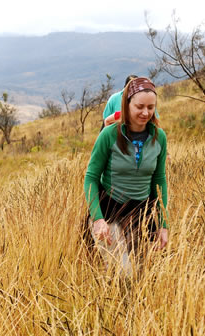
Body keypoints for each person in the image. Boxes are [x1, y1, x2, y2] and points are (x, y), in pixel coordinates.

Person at [84, 77, 168, 276]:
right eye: (140, 106)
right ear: (127, 104)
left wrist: (163, 225)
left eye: (150, 107)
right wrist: (97, 219)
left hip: (141, 213)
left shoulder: (159, 137)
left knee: (140, 275)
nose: (145, 113)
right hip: (109, 211)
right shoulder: (110, 134)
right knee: (123, 273)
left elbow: (159, 180)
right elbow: (91, 177)